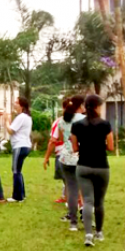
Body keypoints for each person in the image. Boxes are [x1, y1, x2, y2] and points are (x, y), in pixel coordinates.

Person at [71, 95, 113, 247]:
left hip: (83, 166)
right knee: (99, 202)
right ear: (96, 107)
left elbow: (75, 148)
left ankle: (88, 235)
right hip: (102, 166)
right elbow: (111, 146)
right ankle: (99, 232)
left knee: (87, 201)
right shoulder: (105, 124)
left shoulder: (77, 125)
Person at [56, 95, 86, 231]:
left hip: (65, 158)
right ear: (80, 106)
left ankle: (73, 222)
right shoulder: (85, 119)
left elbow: (61, 138)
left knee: (72, 190)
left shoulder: (62, 120)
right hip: (82, 157)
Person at [5, 97, 33, 202]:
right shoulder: (27, 117)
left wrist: (6, 121)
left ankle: (17, 196)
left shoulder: (21, 117)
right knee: (18, 171)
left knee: (15, 171)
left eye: (16, 102)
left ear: (21, 105)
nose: (14, 103)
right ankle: (22, 194)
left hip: (19, 146)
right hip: (25, 145)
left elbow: (11, 131)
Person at [43, 98, 70, 204]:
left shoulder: (59, 122)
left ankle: (71, 200)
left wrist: (46, 157)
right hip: (73, 153)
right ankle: (67, 197)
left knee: (68, 179)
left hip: (62, 153)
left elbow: (52, 141)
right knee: (69, 178)